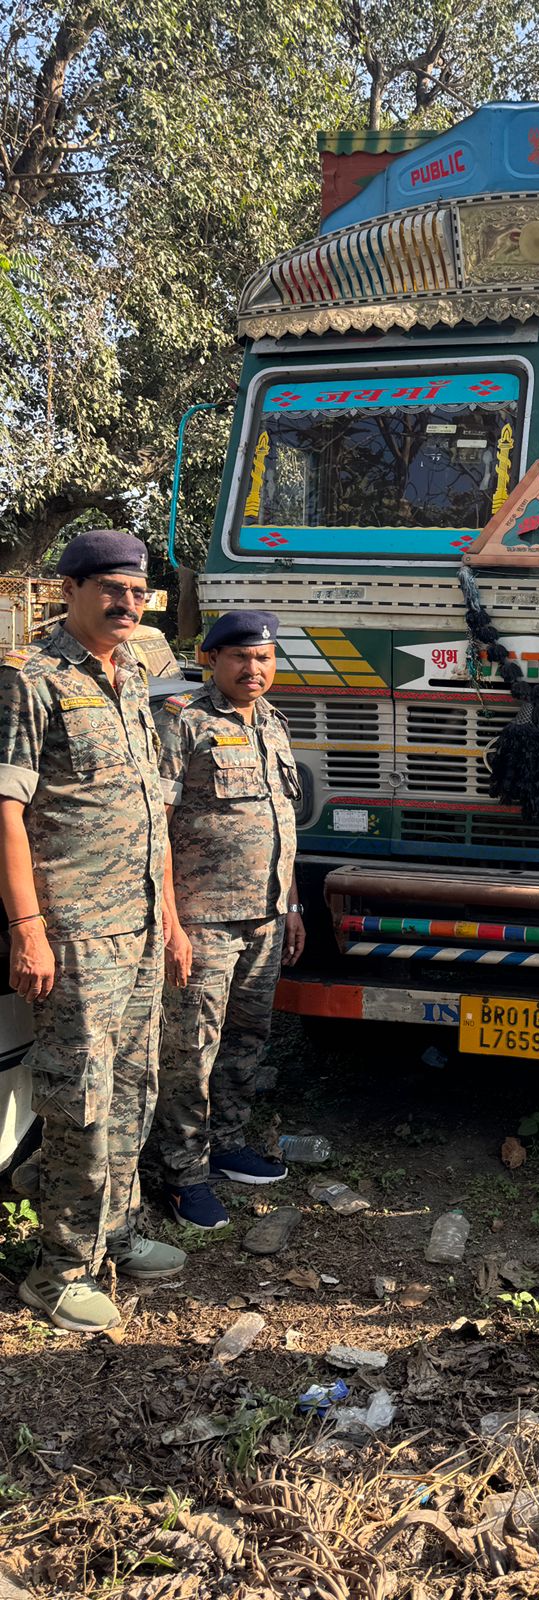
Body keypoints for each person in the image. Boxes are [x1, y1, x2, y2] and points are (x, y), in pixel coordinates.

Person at [0, 530, 186, 1332]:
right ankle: (60, 1269)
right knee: (80, 1097)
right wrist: (27, 927)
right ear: (69, 589)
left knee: (135, 1086)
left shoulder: (135, 672)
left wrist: (171, 920)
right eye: (110, 588)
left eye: (137, 591)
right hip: (75, 929)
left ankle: (116, 1231)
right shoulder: (31, 679)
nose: (126, 603)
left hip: (139, 922)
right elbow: (6, 811)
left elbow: (152, 810)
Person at [152, 610, 305, 1229]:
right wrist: (171, 925)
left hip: (265, 918)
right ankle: (182, 1175)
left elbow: (280, 824)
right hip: (203, 922)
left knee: (245, 1041)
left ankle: (228, 1145)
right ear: (212, 659)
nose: (253, 668)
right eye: (240, 657)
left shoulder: (273, 723)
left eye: (263, 657)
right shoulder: (182, 721)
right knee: (191, 1050)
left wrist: (291, 906)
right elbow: (156, 827)